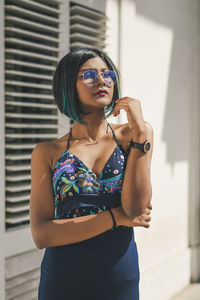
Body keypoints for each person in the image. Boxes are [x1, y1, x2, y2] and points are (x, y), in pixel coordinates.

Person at [30, 47, 154, 300]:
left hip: (119, 275)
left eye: (107, 74)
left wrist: (141, 132)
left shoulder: (133, 136)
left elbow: (135, 208)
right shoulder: (47, 152)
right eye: (89, 75)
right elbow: (42, 234)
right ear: (68, 85)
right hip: (62, 280)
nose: (101, 80)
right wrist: (115, 217)